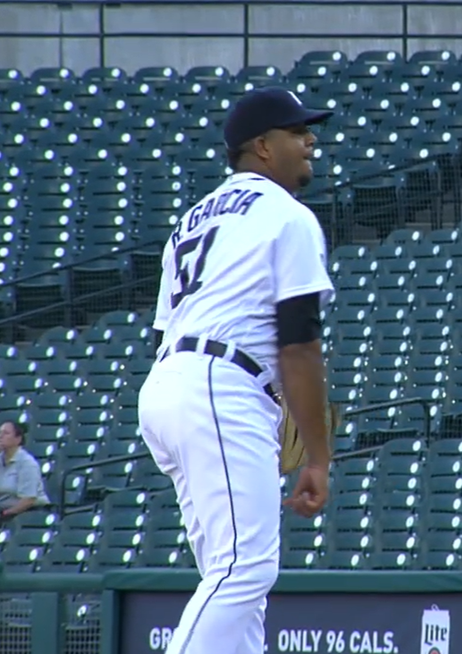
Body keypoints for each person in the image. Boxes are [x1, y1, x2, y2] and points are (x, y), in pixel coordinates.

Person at [137, 87, 336, 654]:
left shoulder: (190, 223)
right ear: (262, 147)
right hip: (219, 386)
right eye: (298, 132)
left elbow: (163, 329)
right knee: (243, 572)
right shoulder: (286, 216)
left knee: (233, 584)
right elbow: (298, 345)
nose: (310, 140)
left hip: (172, 382)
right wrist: (317, 457)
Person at [0, 420, 51, 528]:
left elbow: (28, 500)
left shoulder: (27, 463)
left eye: (6, 433)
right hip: (1, 511)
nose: (0, 436)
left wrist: (3, 515)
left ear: (18, 439)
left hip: (27, 512)